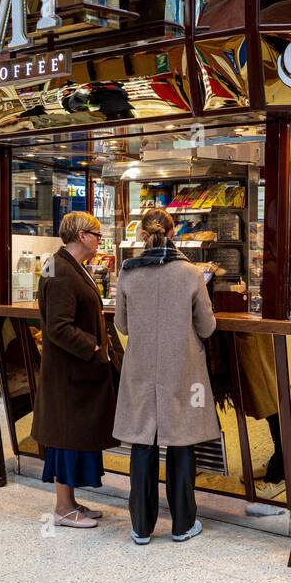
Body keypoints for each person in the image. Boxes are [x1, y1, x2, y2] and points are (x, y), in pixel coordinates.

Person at [114, 207, 219, 544]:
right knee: (181, 440)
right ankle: (183, 524)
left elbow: (122, 325)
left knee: (143, 441)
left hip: (141, 366)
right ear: (173, 232)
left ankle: (141, 527)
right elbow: (207, 325)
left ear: (143, 235)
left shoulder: (128, 273)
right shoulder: (190, 273)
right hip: (182, 367)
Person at [33, 211, 118, 529]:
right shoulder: (61, 271)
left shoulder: (65, 265)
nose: (99, 239)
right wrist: (93, 348)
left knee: (71, 435)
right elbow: (58, 325)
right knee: (66, 436)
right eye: (96, 234)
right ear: (81, 235)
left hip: (74, 372)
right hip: (71, 372)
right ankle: (63, 509)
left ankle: (70, 502)